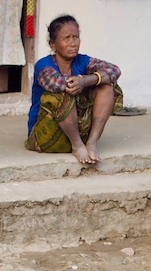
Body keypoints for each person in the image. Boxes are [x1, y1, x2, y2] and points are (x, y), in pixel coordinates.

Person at [26, 15, 122, 165]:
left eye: (76, 37)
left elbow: (114, 70)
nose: (73, 43)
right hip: (45, 137)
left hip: (78, 131)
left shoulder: (83, 61)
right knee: (63, 91)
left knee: (106, 86)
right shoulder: (43, 65)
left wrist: (86, 80)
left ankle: (91, 142)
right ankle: (77, 145)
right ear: (53, 44)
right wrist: (79, 82)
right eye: (66, 38)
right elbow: (54, 82)